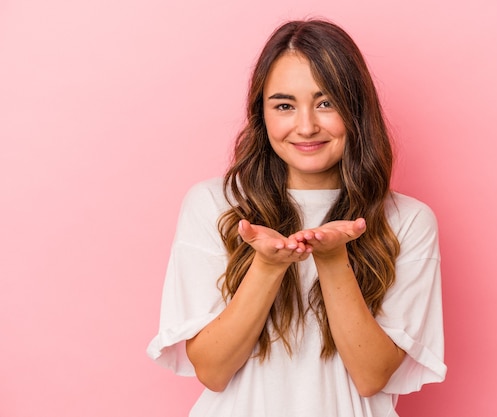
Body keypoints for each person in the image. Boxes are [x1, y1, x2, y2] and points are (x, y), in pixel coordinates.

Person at [147, 19, 446, 417]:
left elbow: (371, 376)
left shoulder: (408, 221)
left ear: (356, 109)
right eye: (284, 105)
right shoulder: (214, 205)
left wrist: (333, 260)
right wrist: (268, 266)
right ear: (262, 113)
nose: (306, 126)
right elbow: (213, 370)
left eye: (326, 103)